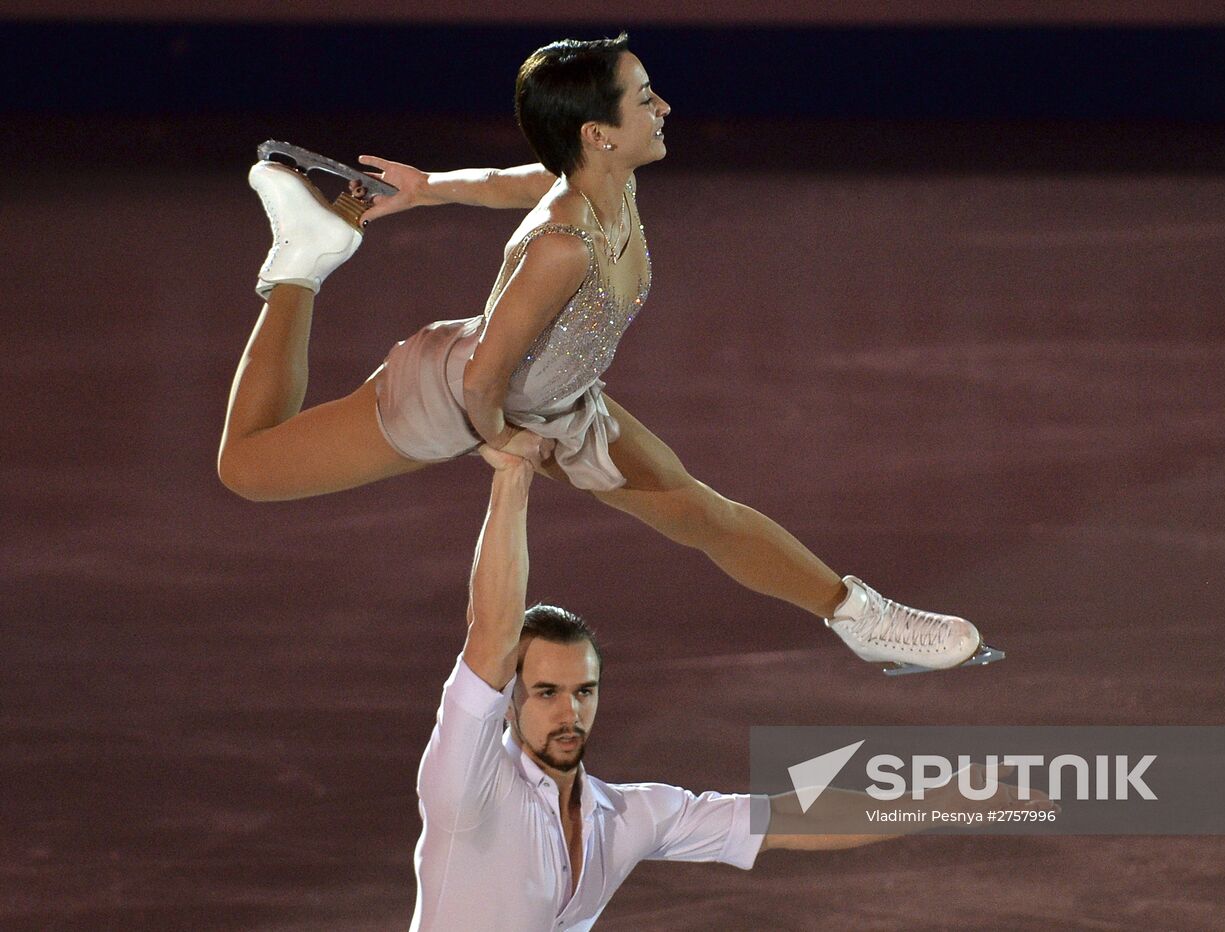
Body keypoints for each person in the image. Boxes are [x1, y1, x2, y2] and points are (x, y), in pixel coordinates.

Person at [217, 33, 997, 674]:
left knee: (697, 511)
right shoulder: (562, 247)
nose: (664, 108)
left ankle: (859, 617)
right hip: (455, 397)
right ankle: (301, 265)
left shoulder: (603, 182)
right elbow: (486, 373)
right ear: (599, 132)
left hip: (558, 400)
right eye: (644, 98)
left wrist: (431, 187)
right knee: (246, 470)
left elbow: (519, 179)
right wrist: (504, 445)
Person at [412, 439, 1048, 930]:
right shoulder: (465, 788)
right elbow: (491, 636)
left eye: (584, 691)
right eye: (546, 692)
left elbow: (788, 820)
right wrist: (512, 478)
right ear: (509, 702)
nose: (570, 710)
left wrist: (937, 801)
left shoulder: (626, 817)